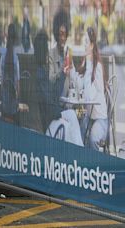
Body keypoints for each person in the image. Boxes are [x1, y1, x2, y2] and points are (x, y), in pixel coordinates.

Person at [45, 8, 84, 146]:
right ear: (56, 34)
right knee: (72, 123)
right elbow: (50, 81)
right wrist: (61, 71)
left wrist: (74, 72)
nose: (63, 38)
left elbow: (73, 81)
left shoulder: (68, 54)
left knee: (83, 120)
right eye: (60, 34)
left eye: (65, 34)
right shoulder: (51, 55)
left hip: (67, 106)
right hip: (57, 107)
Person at [77, 26, 108, 151]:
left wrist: (88, 65)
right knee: (78, 135)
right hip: (88, 117)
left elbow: (89, 96)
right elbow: (79, 89)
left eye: (86, 41)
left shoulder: (97, 67)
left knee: (93, 139)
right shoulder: (85, 64)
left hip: (100, 119)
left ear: (92, 45)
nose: (84, 45)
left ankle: (95, 168)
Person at [0, 23, 20, 124]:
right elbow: (17, 81)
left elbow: (1, 79)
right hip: (13, 103)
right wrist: (18, 98)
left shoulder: (3, 54)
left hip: (4, 100)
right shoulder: (16, 56)